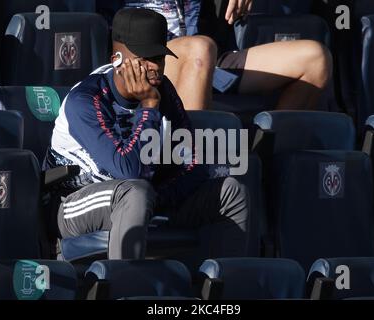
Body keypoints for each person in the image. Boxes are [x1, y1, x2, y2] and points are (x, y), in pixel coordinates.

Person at [44, 8, 250, 261]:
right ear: (117, 58)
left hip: (141, 197)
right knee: (135, 191)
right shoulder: (85, 100)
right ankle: (124, 287)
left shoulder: (162, 89)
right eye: (144, 58)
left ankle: (219, 290)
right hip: (73, 204)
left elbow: (189, 159)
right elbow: (128, 171)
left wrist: (161, 193)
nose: (154, 67)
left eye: (159, 58)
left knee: (231, 190)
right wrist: (149, 108)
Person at [125, 0, 333, 111]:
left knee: (315, 59)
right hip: (142, 60)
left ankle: (265, 159)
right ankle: (191, 169)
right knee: (199, 49)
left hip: (206, 58)